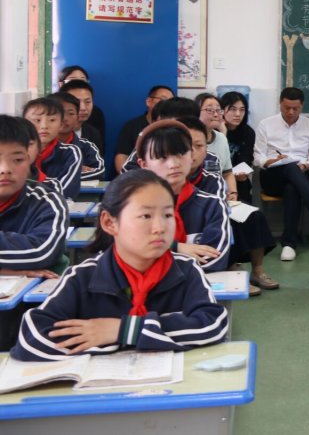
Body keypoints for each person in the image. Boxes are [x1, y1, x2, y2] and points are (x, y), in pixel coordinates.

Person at [12, 170, 228, 360]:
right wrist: (153, 334)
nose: (160, 227)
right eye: (146, 215)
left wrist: (124, 331)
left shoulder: (186, 269)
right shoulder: (83, 276)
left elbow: (213, 324)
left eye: (168, 215)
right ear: (109, 222)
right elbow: (33, 337)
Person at [181, 117, 278, 296]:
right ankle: (231, 268)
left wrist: (232, 192)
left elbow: (227, 173)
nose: (192, 152)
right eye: (186, 146)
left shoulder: (213, 163)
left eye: (199, 145)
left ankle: (257, 271)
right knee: (229, 223)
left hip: (220, 205)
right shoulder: (161, 176)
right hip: (182, 244)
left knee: (253, 216)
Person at [134, 121, 230, 273]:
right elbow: (128, 257)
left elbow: (213, 261)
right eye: (162, 157)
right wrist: (176, 247)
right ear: (144, 164)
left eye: (181, 154)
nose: (174, 164)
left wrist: (159, 253)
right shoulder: (132, 206)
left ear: (191, 155)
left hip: (197, 287)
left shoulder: (212, 205)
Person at [254, 87, 309, 261]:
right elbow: (258, 157)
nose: (291, 112)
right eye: (287, 108)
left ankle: (289, 245)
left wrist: (306, 165)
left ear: (302, 106)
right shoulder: (266, 124)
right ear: (280, 104)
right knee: (290, 167)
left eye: (295, 108)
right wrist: (271, 161)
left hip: (299, 175)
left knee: (292, 186)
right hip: (272, 177)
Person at [0, 114, 67, 276]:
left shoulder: (47, 201)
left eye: (17, 160)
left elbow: (40, 252)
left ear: (29, 160)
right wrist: (6, 271)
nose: (5, 169)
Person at [23, 97, 82, 200]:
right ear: (24, 124)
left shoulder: (71, 153)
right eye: (37, 120)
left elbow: (66, 192)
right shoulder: (15, 153)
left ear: (61, 124)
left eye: (52, 120)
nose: (44, 126)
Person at [114, 85, 174, 173]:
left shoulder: (174, 128)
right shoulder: (132, 126)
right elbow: (122, 156)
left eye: (171, 101)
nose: (167, 105)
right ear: (149, 101)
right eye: (163, 100)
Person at [48, 92, 103, 180]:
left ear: (78, 117)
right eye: (60, 113)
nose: (65, 118)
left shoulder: (87, 146)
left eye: (71, 114)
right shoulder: (39, 146)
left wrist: (56, 173)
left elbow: (99, 172)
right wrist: (75, 169)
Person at [57, 65, 106, 148]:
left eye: (88, 102)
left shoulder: (93, 133)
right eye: (77, 102)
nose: (83, 108)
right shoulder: (50, 130)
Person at [221, 91, 255, 203]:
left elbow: (247, 157)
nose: (238, 114)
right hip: (218, 180)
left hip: (239, 180)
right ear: (222, 110)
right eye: (233, 109)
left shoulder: (248, 132)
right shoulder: (214, 131)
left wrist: (243, 171)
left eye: (242, 110)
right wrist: (223, 132)